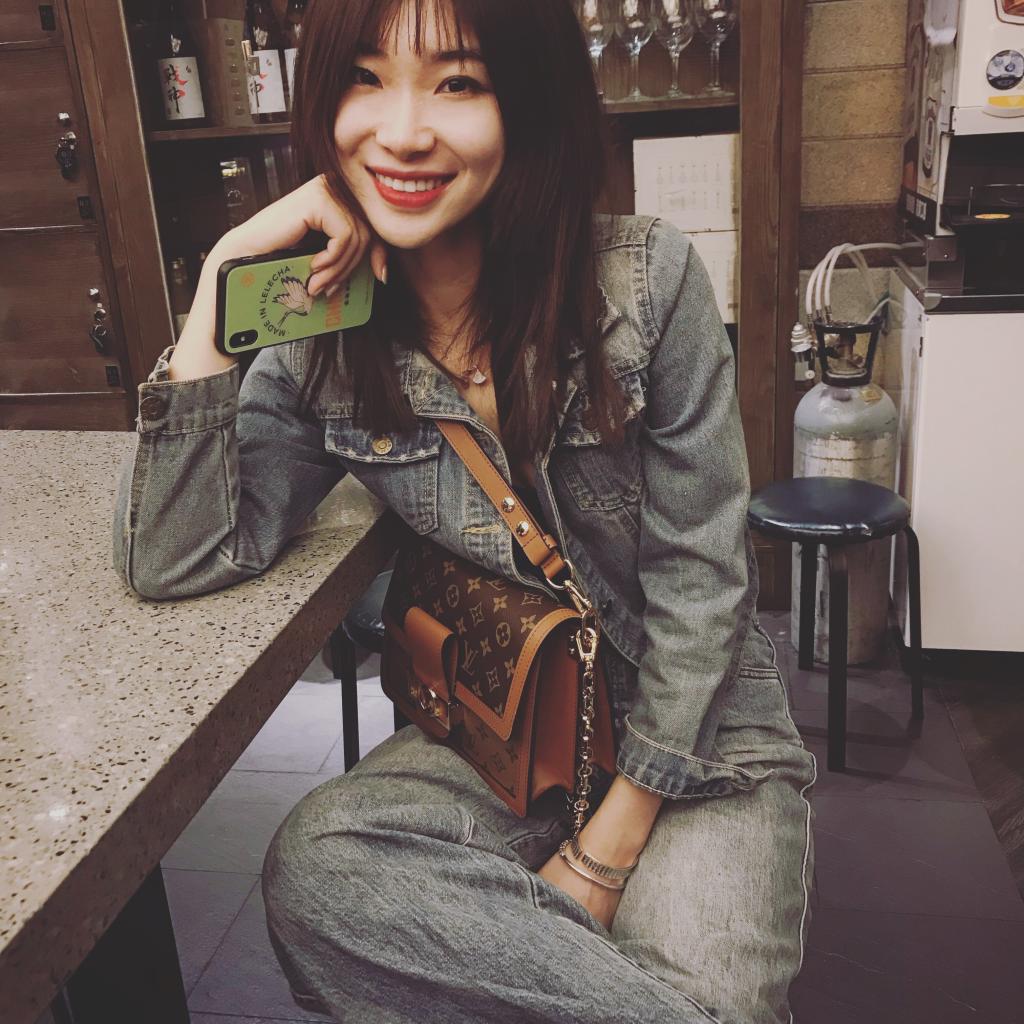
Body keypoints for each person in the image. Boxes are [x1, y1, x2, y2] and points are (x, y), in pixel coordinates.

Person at [112, 0, 817, 1020]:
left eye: (457, 83)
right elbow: (177, 556)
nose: (401, 132)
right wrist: (221, 290)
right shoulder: (323, 334)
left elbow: (703, 585)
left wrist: (605, 851)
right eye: (364, 79)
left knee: (699, 996)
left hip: (701, 730)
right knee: (321, 868)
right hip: (505, 725)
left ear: (526, 103)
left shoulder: (644, 281)